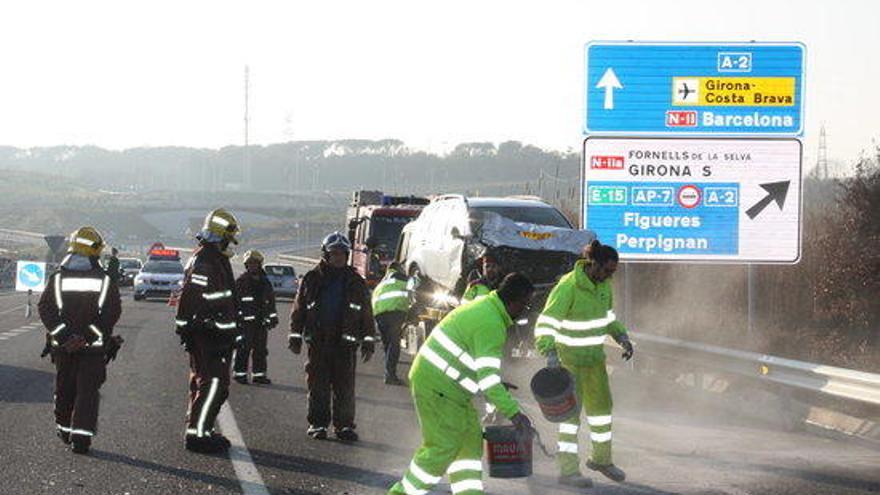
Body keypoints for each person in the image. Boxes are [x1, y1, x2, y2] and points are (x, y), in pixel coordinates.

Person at [388, 273, 535, 495]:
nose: (525, 309)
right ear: (515, 301)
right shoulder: (491, 324)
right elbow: (488, 380)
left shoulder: (487, 308)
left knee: (469, 442)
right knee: (442, 446)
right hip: (438, 386)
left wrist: (495, 385)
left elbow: (469, 362)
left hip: (449, 388)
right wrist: (516, 415)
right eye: (525, 303)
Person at [534, 240, 634, 486]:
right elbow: (547, 321)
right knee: (569, 420)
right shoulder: (568, 286)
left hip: (594, 361)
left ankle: (601, 460)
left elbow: (607, 317)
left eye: (613, 272)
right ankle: (568, 472)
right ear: (593, 263)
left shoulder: (604, 286)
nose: (610, 276)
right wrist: (549, 351)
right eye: (607, 270)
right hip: (569, 363)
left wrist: (621, 336)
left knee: (601, 413)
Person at [38, 226, 123, 455]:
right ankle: (81, 439)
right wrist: (86, 337)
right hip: (92, 350)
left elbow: (45, 308)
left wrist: (65, 337)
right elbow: (111, 312)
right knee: (87, 392)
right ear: (94, 251)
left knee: (64, 389)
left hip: (63, 349)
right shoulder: (104, 280)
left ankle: (65, 430)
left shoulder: (58, 278)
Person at [288, 232, 377, 442]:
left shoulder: (356, 281)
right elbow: (299, 309)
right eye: (334, 253)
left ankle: (344, 426)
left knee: (345, 388)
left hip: (345, 345)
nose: (338, 258)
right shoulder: (312, 279)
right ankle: (318, 424)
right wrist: (295, 335)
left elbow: (366, 313)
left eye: (342, 254)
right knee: (318, 386)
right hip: (318, 343)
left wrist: (368, 340)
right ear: (326, 255)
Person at [175, 208, 242, 454]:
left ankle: (200, 430)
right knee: (214, 384)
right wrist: (188, 330)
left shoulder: (213, 259)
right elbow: (191, 299)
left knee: (203, 384)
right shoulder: (206, 262)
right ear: (219, 237)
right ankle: (198, 435)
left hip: (213, 335)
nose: (229, 244)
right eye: (227, 239)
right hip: (209, 335)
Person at [233, 249, 279, 385]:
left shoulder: (265, 282)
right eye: (250, 264)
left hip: (261, 323)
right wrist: (238, 319)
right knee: (243, 349)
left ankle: (259, 375)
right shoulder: (241, 282)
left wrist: (273, 317)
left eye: (255, 263)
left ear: (259, 264)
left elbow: (270, 301)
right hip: (245, 324)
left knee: (260, 350)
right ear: (246, 265)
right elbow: (235, 303)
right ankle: (239, 374)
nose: (253, 266)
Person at [371, 262, 411, 385]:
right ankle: (390, 375)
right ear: (398, 269)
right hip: (394, 312)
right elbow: (416, 289)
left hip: (379, 314)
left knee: (388, 343)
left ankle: (388, 369)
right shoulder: (401, 278)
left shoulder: (383, 283)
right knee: (394, 344)